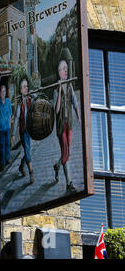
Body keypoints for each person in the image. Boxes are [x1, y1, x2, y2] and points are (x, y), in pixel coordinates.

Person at [52, 59, 81, 192]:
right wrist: (59, 88)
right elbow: (56, 110)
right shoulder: (55, 91)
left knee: (67, 151)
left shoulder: (69, 86)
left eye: (66, 69)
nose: (65, 71)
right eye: (63, 69)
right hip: (60, 126)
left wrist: (79, 118)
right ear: (59, 73)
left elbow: (75, 103)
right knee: (65, 151)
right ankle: (69, 183)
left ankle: (57, 165)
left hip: (69, 123)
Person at [12, 77, 34, 184]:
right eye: (24, 87)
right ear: (21, 90)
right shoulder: (20, 104)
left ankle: (21, 166)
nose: (26, 88)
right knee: (28, 151)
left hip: (30, 129)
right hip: (23, 130)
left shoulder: (31, 99)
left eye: (27, 86)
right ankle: (31, 173)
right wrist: (13, 134)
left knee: (28, 150)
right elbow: (16, 118)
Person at [0, 84, 12, 170]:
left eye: (4, 91)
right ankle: (2, 163)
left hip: (7, 127)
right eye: (2, 91)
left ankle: (8, 158)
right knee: (1, 146)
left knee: (7, 144)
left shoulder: (8, 101)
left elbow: (10, 113)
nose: (3, 93)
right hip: (0, 128)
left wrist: (10, 123)